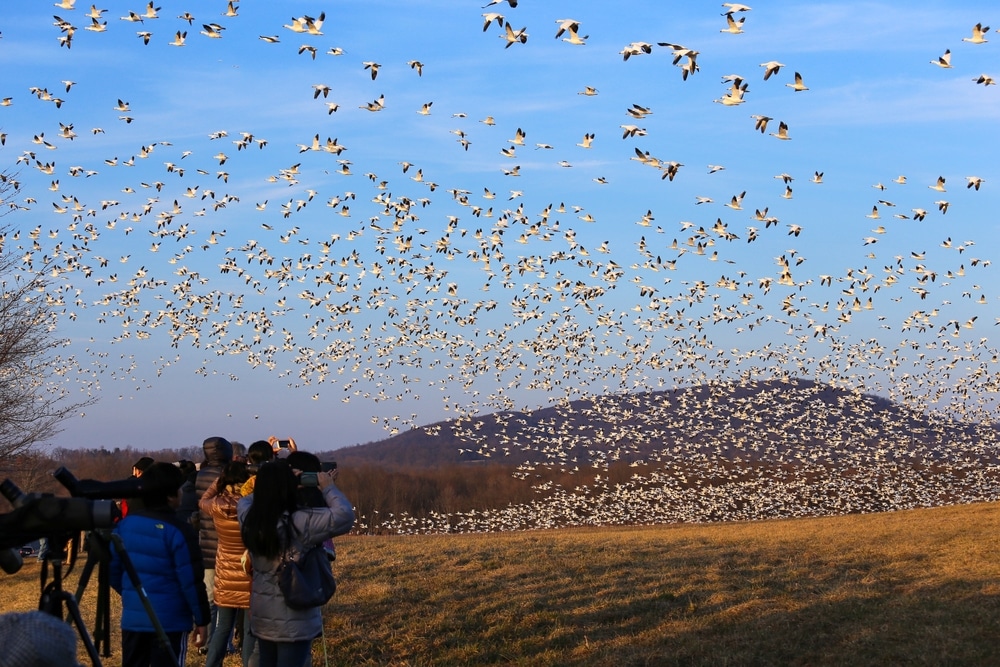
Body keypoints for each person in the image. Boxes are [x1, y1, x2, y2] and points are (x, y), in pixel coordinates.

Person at [237, 460, 354, 667]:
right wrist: (328, 487)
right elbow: (344, 515)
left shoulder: (250, 518)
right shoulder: (300, 521)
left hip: (263, 615)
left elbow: (245, 501)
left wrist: (271, 486)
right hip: (294, 615)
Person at [110, 462, 210, 666]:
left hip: (134, 621)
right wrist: (201, 619)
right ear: (170, 495)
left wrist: (135, 593)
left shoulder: (124, 526)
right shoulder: (179, 530)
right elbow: (191, 580)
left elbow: (112, 571)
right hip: (171, 621)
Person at [199, 461, 255, 667]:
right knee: (249, 630)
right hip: (248, 569)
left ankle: (212, 663)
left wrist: (219, 479)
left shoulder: (216, 505)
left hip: (225, 570)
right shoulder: (251, 503)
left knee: (222, 627)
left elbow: (203, 499)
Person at [194, 436, 234, 649]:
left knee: (209, 595)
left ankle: (205, 641)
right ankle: (224, 643)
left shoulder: (200, 475)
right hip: (228, 542)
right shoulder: (230, 475)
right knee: (227, 597)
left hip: (206, 542)